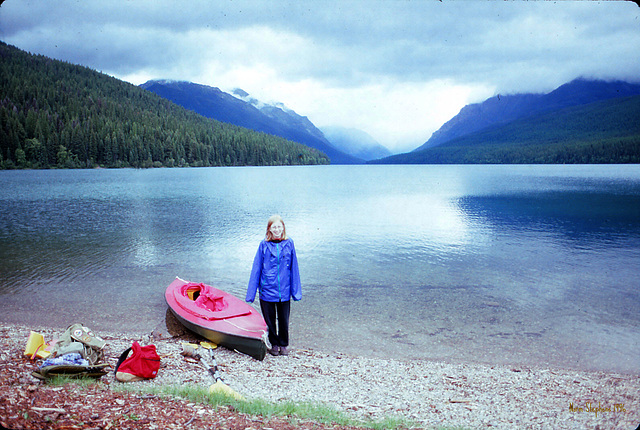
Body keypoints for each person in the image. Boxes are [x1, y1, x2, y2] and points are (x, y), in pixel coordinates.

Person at [246, 215, 301, 356]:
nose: (277, 229)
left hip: (284, 290)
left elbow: (294, 268)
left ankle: (283, 345)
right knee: (269, 320)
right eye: (274, 227)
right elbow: (256, 268)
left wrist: (296, 292)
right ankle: (274, 344)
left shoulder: (289, 243)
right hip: (267, 290)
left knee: (284, 320)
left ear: (283, 227)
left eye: (279, 226)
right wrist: (251, 294)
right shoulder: (263, 245)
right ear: (269, 229)